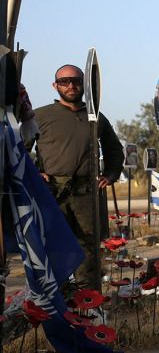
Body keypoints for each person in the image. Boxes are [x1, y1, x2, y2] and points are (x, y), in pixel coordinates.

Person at [31, 64, 123, 291]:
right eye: (64, 81)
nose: (71, 85)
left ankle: (90, 307)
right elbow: (19, 151)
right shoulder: (39, 116)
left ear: (85, 85)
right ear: (55, 86)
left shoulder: (96, 118)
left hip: (86, 194)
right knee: (54, 249)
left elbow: (114, 150)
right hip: (52, 193)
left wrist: (110, 174)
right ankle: (58, 306)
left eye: (76, 81)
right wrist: (34, 173)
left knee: (88, 252)